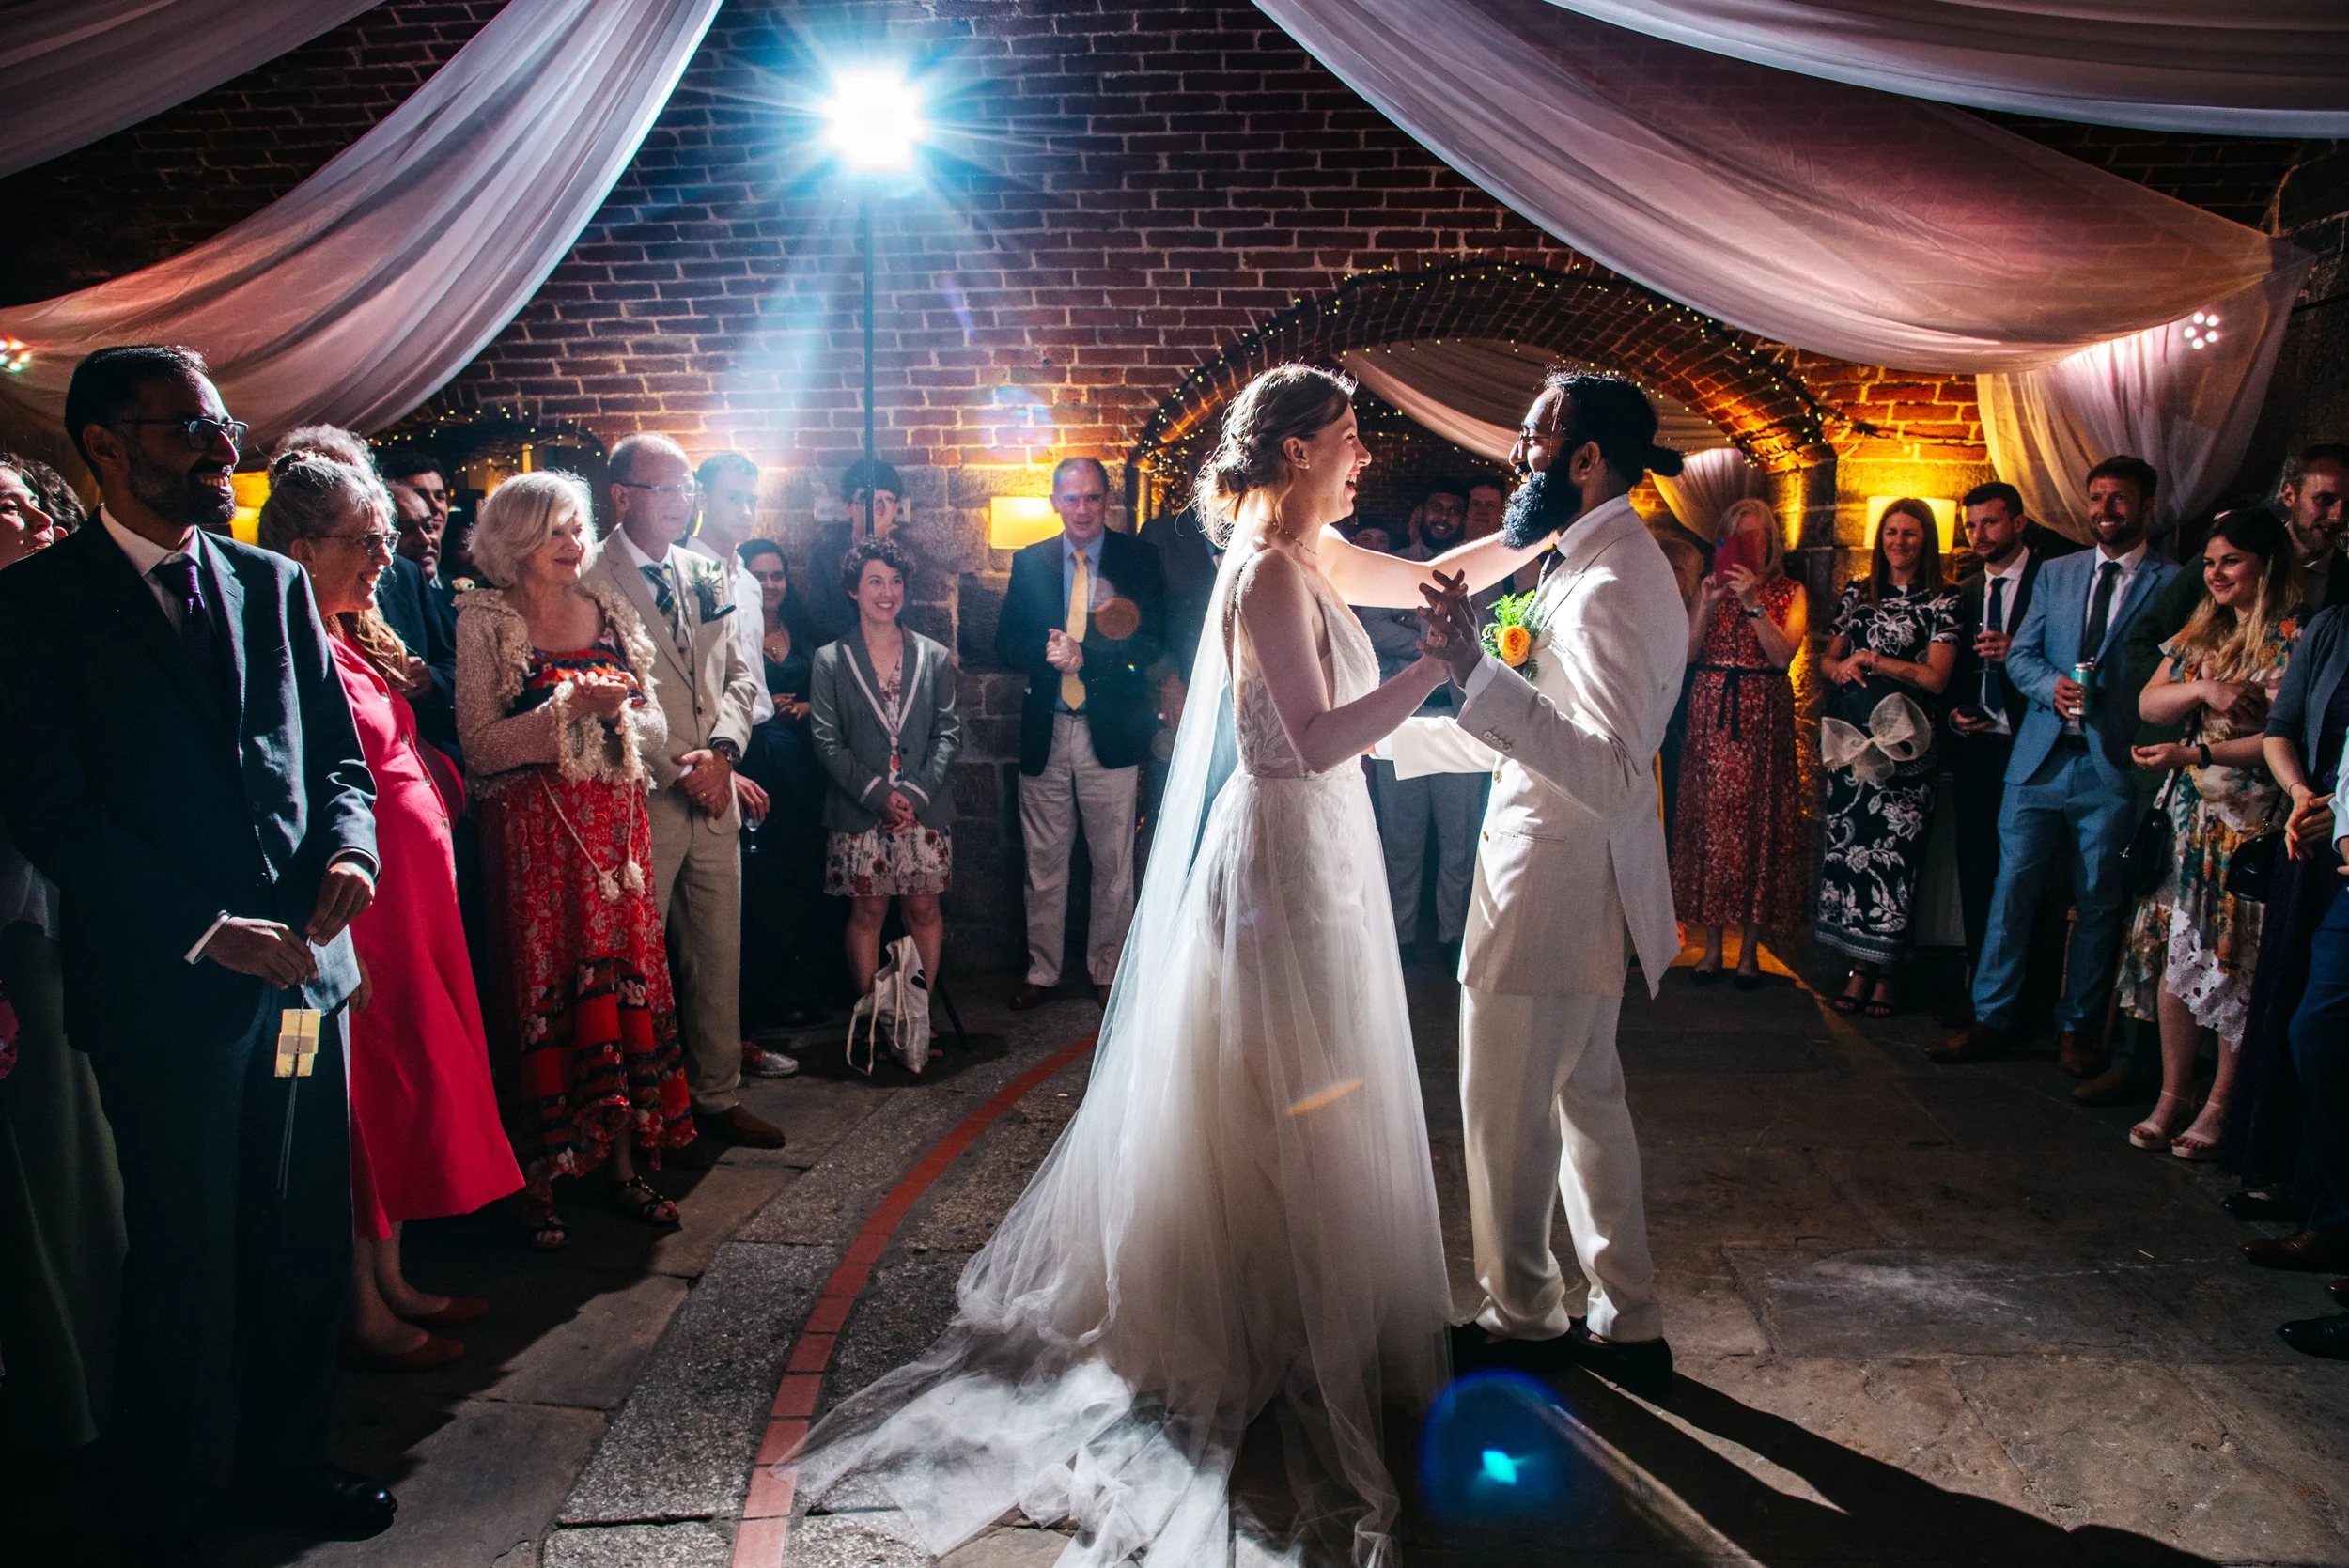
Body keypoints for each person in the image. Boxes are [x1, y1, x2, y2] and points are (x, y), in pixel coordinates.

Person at [789, 364, 1554, 1564]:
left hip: (1327, 852)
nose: (1363, 456)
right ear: (1297, 449)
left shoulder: (1315, 554)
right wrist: (1435, 671)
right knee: (1276, 1080)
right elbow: (1304, 743)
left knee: (1323, 1073)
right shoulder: (1260, 574)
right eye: (1349, 437)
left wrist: (1546, 532)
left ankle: (1312, 1305)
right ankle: (1254, 1314)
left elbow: (1427, 582)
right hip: (1282, 856)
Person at [0, 346, 390, 1560]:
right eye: (187, 432)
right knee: (184, 1247)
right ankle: (167, 1498)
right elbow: (56, 813)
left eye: (223, 429)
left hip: (296, 989)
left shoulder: (273, 587)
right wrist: (201, 929)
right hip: (167, 993)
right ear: (104, 448)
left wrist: (351, 852)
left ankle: (286, 1456)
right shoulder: (34, 610)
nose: (224, 455)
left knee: (295, 1228)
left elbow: (333, 758)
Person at [1398, 370, 1692, 1403]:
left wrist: (1478, 675)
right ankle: (1628, 1314)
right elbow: (1537, 739)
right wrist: (1389, 738)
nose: (1516, 456)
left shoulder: (1614, 584)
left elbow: (1609, 769)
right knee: (1584, 1104)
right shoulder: (1588, 560)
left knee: (1506, 1109)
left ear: (1585, 459)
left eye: (1533, 438)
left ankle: (1524, 1318)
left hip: (1553, 889)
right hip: (1562, 880)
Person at [257, 454, 521, 1364]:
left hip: (414, 912)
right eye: (364, 539)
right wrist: (334, 945)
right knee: (360, 1104)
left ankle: (396, 1277)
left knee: (406, 1088)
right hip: (360, 921)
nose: (385, 554)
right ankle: (361, 1308)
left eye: (384, 535)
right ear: (299, 547)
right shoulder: (286, 645)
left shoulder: (351, 632)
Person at [456, 472, 696, 1250]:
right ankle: (537, 1180)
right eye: (555, 531)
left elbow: (655, 722)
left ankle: (623, 1163)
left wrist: (620, 707)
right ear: (515, 539)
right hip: (534, 840)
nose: (573, 544)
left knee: (620, 978)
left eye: (576, 528)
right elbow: (480, 744)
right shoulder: (486, 618)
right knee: (541, 989)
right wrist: (565, 710)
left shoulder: (610, 610)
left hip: (615, 838)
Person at [1937, 457, 2182, 1068]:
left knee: (2099, 897)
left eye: (2119, 499)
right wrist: (2050, 687)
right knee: (2010, 889)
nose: (2105, 510)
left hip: (2112, 766)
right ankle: (1991, 1015)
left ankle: (2077, 1027)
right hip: (2039, 760)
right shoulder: (2059, 572)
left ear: (2146, 505)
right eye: (2097, 496)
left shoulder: (2174, 580)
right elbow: (2021, 657)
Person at [582, 434, 786, 1154]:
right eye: (664, 490)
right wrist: (680, 769)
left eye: (685, 490)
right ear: (623, 496)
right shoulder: (590, 576)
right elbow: (609, 686)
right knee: (641, 963)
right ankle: (646, 1111)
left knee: (717, 951)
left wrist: (724, 755)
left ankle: (718, 1096)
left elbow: (738, 676)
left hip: (716, 787)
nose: (681, 503)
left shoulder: (705, 570)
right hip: (646, 794)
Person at [0, 453, 123, 1456]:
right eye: (10, 510)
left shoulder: (54, 633)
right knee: (47, 1170)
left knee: (88, 1167)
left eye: (38, 506)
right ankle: (61, 1400)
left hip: (74, 927)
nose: (36, 523)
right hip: (14, 945)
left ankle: (103, 1374)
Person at [2112, 512, 2301, 1159]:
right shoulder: (2202, 627)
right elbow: (2147, 702)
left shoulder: (2288, 638)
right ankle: (2171, 1095)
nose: (2216, 573)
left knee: (2233, 963)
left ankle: (2221, 1103)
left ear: (2265, 564)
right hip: (2190, 823)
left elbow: (2282, 736)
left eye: (2231, 561)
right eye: (2211, 561)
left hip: (2249, 823)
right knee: (2176, 958)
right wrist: (2209, 688)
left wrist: (2192, 755)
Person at [997, 457, 1166, 1007]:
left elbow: (1149, 645)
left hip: (1110, 732)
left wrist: (1085, 659)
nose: (1082, 509)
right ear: (1054, 503)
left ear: (1107, 501)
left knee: (1113, 861)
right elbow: (1005, 642)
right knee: (1043, 860)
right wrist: (1049, 655)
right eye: (1071, 499)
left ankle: (1107, 968)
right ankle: (1041, 971)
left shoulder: (1138, 559)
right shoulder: (1030, 563)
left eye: (1092, 498)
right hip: (1047, 730)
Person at [1812, 499, 1959, 1016]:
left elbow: (1936, 676)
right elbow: (1828, 658)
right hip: (1853, 748)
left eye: (1911, 533)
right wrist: (1841, 668)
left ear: (1927, 539)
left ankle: (1887, 973)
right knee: (1850, 859)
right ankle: (1857, 969)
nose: (1900, 542)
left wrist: (1875, 660)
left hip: (1904, 752)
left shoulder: (1943, 601)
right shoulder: (1859, 592)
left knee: (1896, 862)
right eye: (1892, 532)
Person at [2231, 598, 2349, 1202]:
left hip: (2340, 829)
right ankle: (2298, 1178)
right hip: (2313, 834)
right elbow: (2282, 730)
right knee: (2304, 1019)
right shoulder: (2333, 627)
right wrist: (2304, 794)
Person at [810, 536, 961, 1000]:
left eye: (895, 581)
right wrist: (879, 795)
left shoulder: (933, 656)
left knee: (923, 911)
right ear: (854, 590)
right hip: (860, 810)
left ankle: (917, 1021)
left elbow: (948, 735)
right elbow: (825, 741)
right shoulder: (831, 660)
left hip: (924, 808)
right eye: (875, 581)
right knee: (869, 914)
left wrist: (913, 796)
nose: (887, 591)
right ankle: (872, 1020)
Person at [1674, 495, 1807, 986]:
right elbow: (1686, 655)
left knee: (1759, 828)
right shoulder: (1708, 589)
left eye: (1755, 537)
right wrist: (1707, 604)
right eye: (1736, 536)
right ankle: (1711, 949)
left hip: (1760, 718)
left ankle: (1749, 952)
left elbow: (1780, 657)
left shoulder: (1789, 592)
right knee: (1709, 828)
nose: (1746, 546)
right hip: (1711, 716)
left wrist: (1753, 604)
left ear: (1769, 542)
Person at [690, 451, 794, 1076]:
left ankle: (742, 1035)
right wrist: (727, 761)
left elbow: (746, 677)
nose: (744, 508)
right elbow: (694, 684)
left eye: (751, 498)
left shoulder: (749, 581)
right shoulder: (685, 570)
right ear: (702, 495)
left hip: (761, 740)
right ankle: (716, 1050)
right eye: (732, 496)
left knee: (760, 899)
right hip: (715, 751)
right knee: (715, 911)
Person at [1943, 483, 2046, 1027]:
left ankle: (2030, 1001)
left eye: (1990, 523)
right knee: (1978, 871)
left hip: (2033, 745)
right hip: (1979, 747)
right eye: (1971, 526)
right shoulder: (1962, 593)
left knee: (2030, 877)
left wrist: (2019, 653)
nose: (1979, 535)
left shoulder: (2050, 582)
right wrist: (1956, 714)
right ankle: (1982, 994)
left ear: (2019, 523)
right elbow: (1951, 671)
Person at [737, 538, 830, 1037]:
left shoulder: (807, 631)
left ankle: (800, 988)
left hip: (806, 769)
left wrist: (809, 708)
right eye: (760, 576)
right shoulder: (737, 630)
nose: (771, 585)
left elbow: (832, 691)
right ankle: (763, 992)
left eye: (777, 575)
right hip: (760, 766)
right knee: (763, 881)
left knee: (803, 874)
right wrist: (766, 704)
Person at [811, 457, 901, 644]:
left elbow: (908, 620)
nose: (880, 508)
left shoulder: (905, 559)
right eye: (867, 499)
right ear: (848, 508)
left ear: (896, 509)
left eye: (888, 500)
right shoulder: (826, 558)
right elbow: (818, 621)